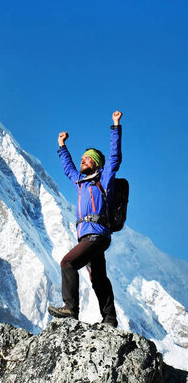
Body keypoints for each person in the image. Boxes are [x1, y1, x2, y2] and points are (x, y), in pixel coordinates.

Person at [48, 111, 123, 328]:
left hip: (97, 235)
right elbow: (68, 169)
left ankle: (71, 308)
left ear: (97, 163)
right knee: (98, 278)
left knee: (68, 262)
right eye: (82, 158)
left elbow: (115, 156)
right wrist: (62, 146)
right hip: (87, 238)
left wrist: (115, 126)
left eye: (87, 158)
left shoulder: (105, 179)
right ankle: (109, 319)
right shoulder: (80, 182)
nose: (83, 160)